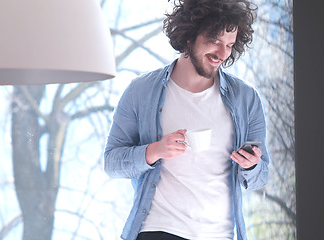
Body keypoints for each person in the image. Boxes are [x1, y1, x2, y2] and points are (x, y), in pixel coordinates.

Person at [104, 0, 270, 239]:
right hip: (159, 230)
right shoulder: (141, 91)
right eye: (215, 41)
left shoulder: (246, 99)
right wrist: (155, 150)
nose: (223, 54)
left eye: (229, 45)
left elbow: (261, 176)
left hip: (220, 234)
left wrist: (251, 165)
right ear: (190, 35)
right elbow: (111, 162)